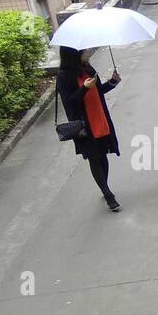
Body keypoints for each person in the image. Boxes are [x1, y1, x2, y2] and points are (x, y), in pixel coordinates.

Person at [56, 47, 123, 212]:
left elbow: (98, 91)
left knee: (103, 154)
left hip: (100, 118)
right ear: (73, 54)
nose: (87, 52)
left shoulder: (87, 68)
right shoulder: (63, 76)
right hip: (85, 125)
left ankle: (104, 185)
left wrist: (112, 82)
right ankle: (108, 194)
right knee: (94, 158)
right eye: (83, 51)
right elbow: (70, 102)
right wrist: (84, 88)